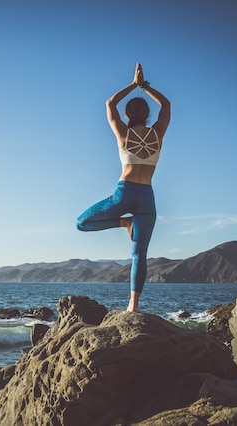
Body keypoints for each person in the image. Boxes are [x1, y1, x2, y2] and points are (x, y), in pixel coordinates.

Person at [76, 63, 171, 312]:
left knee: (82, 223)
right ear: (147, 115)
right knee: (139, 254)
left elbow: (109, 104)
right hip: (147, 198)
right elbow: (167, 106)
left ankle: (123, 223)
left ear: (128, 115)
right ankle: (133, 306)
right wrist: (145, 86)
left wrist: (132, 84)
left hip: (125, 194)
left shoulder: (123, 134)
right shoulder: (157, 134)